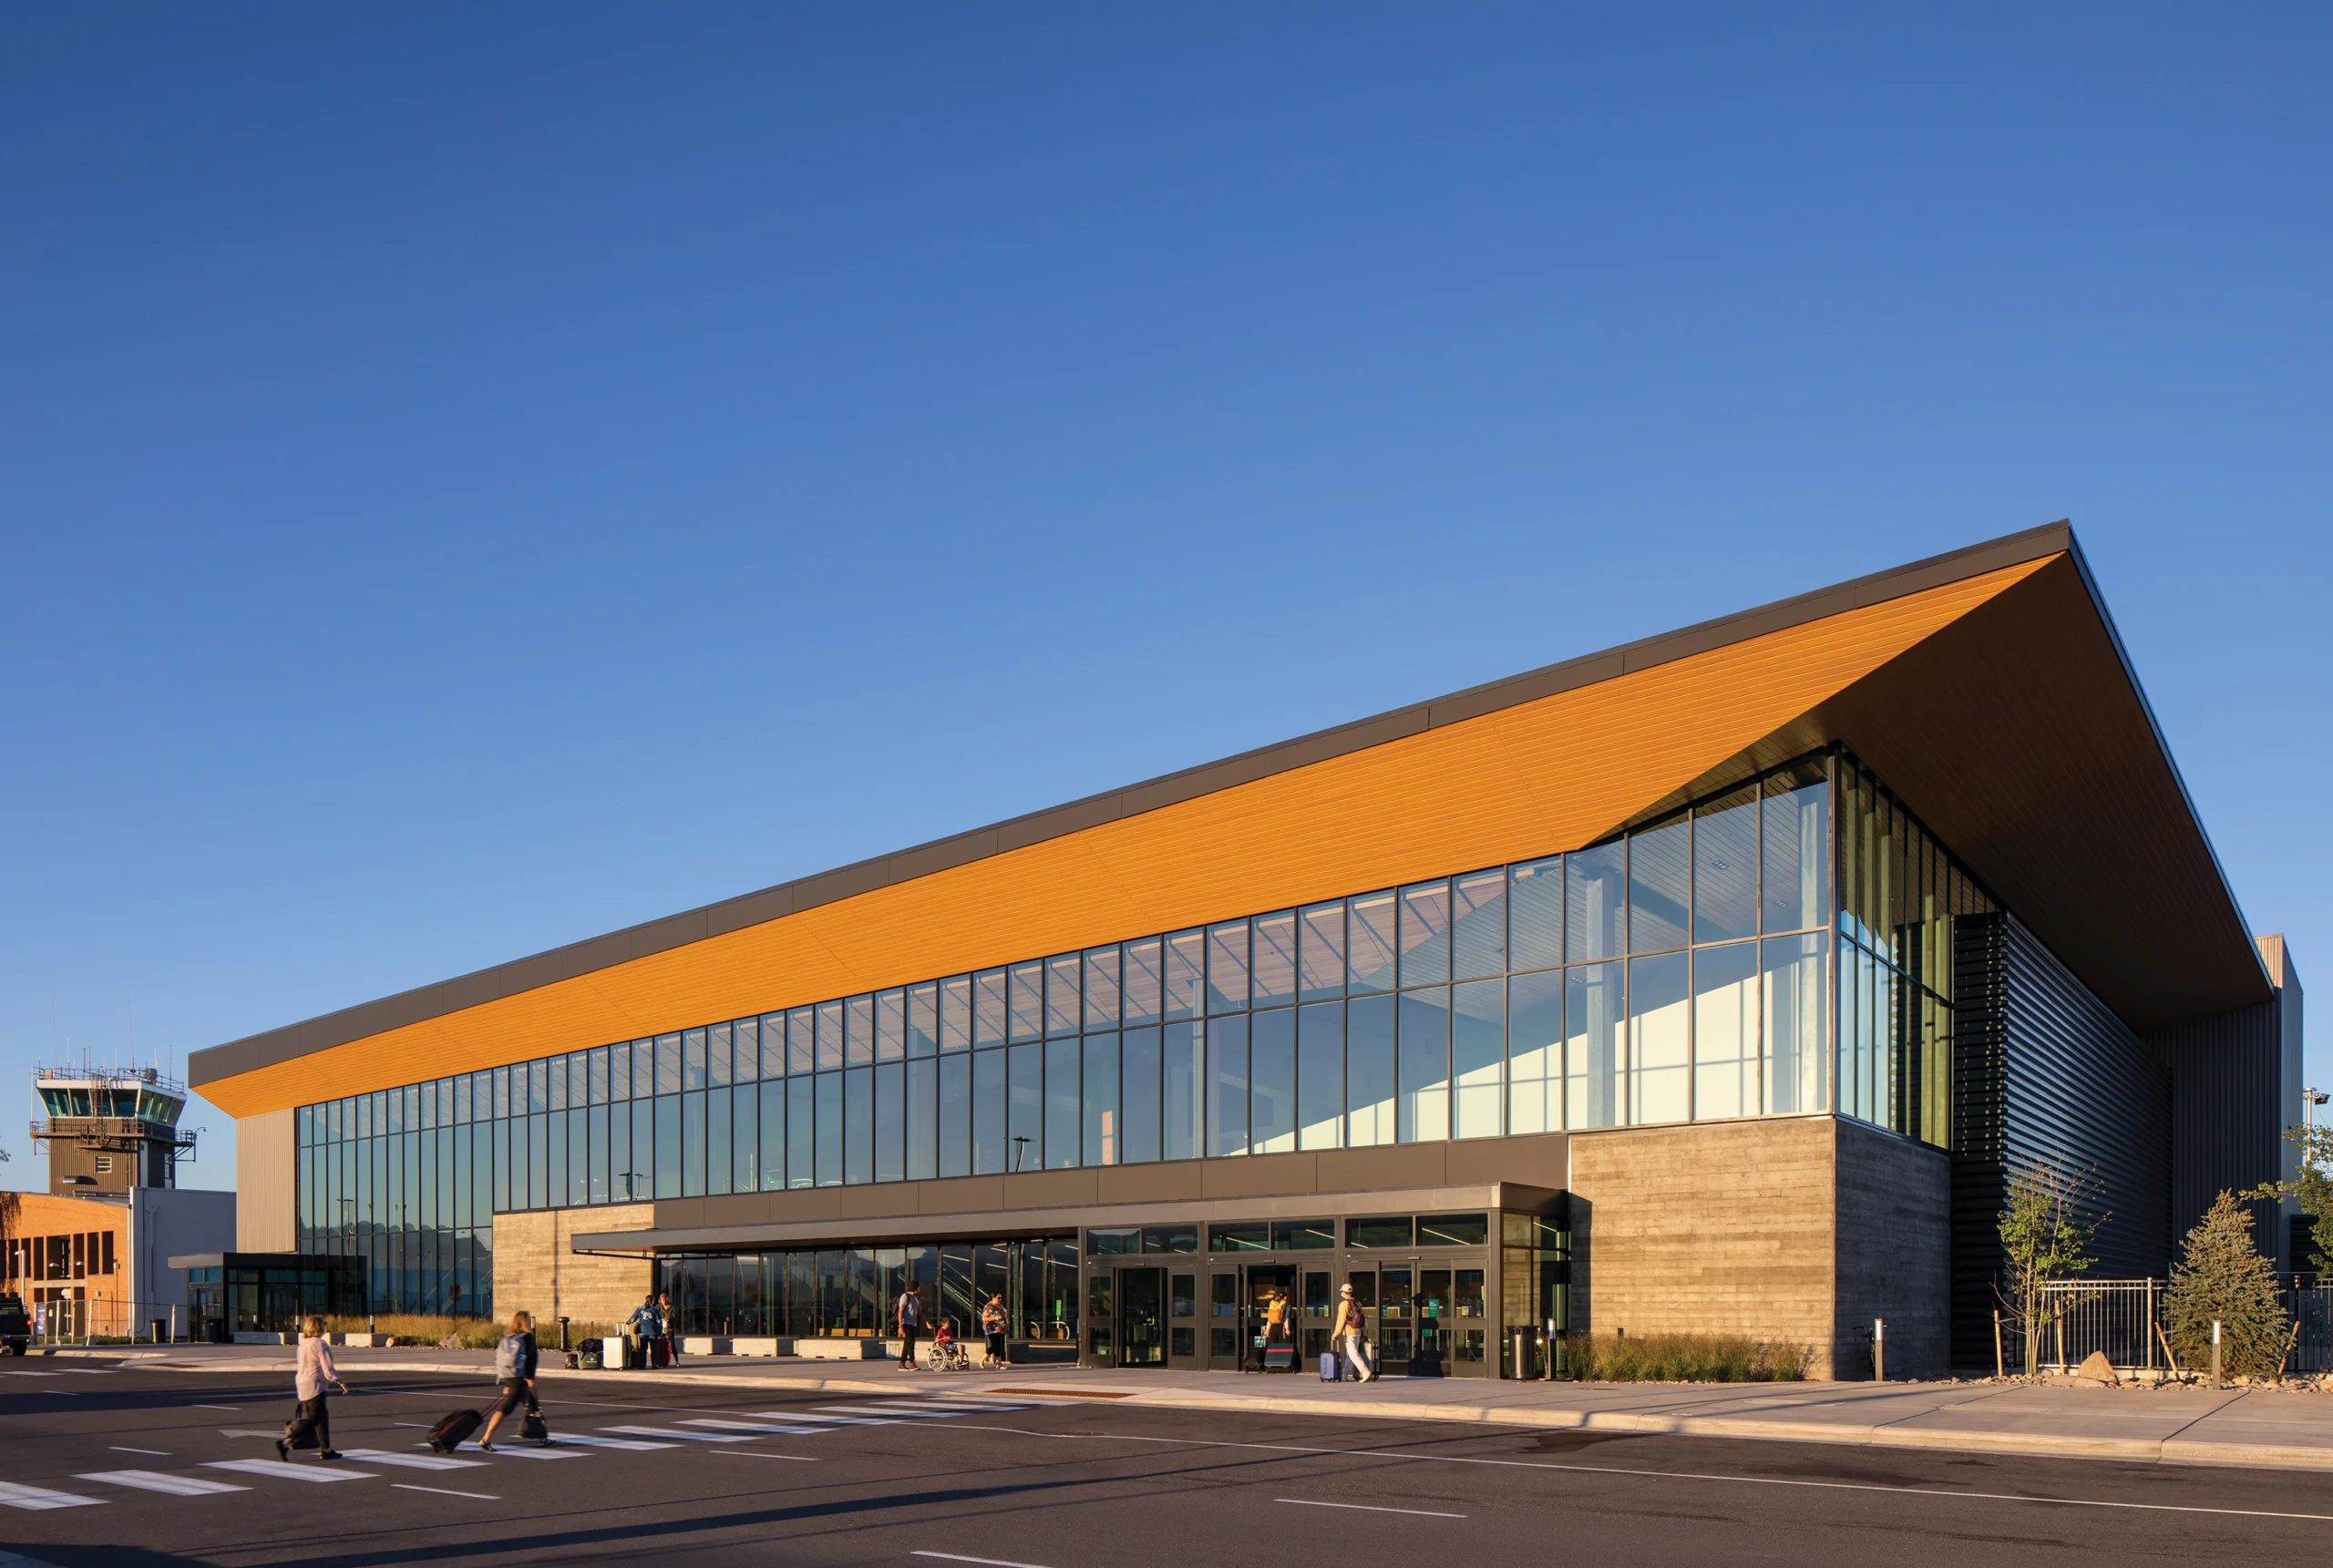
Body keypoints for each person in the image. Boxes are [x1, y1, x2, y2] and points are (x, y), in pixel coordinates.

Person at [276, 1314, 348, 1460]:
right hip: (316, 1384)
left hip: (302, 1383)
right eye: (324, 1325)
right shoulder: (320, 1344)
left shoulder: (303, 1344)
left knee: (321, 1417)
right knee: (315, 1418)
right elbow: (327, 1368)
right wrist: (339, 1381)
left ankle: (326, 1450)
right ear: (319, 1328)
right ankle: (286, 1441)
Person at [477, 1310, 540, 1451]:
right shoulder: (528, 1337)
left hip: (510, 1377)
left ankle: (541, 1436)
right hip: (519, 1379)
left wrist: (506, 1382)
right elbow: (531, 1360)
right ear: (525, 1322)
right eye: (529, 1320)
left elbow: (505, 1361)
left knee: (532, 1406)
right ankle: (485, 1439)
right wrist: (530, 1378)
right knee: (505, 1409)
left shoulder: (509, 1337)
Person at [1331, 1283, 1374, 1383]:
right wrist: (1365, 1331)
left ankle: (1365, 1372)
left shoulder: (1344, 1304)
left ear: (1343, 1292)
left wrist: (1336, 1333)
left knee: (1353, 1353)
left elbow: (1341, 1320)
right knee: (1350, 1354)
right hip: (1358, 1331)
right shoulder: (1358, 1303)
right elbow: (1364, 1319)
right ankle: (1345, 1375)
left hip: (1349, 1332)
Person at [625, 1293, 660, 1370]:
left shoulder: (640, 1308)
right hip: (653, 1331)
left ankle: (642, 1365)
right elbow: (659, 1321)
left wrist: (628, 1322)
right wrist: (661, 1330)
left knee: (643, 1349)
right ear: (653, 1301)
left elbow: (633, 1318)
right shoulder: (655, 1310)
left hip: (642, 1331)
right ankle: (654, 1364)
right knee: (653, 1349)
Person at [895, 1285, 922, 1369]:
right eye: (918, 1287)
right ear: (915, 1288)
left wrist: (927, 1322)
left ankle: (902, 1363)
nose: (919, 1289)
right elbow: (900, 1311)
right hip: (906, 1323)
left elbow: (920, 1312)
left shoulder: (916, 1298)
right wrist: (901, 1326)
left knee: (907, 1343)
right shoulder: (905, 1296)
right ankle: (911, 1362)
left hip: (913, 1324)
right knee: (911, 1343)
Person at [981, 1294, 1007, 1368]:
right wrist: (995, 1318)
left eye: (1001, 1298)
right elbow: (984, 1318)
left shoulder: (1000, 1306)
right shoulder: (989, 1306)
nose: (1000, 1299)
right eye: (998, 1298)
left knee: (995, 1346)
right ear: (993, 1298)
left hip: (1000, 1329)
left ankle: (982, 1359)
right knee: (996, 1345)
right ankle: (999, 1363)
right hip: (991, 1329)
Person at [657, 1291, 682, 1365]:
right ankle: (660, 1360)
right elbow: (655, 1314)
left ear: (667, 1299)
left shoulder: (672, 1307)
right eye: (662, 1300)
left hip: (669, 1328)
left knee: (671, 1344)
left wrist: (669, 1319)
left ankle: (677, 1360)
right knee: (659, 1344)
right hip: (660, 1327)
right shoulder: (658, 1307)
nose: (663, 1301)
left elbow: (676, 1316)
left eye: (664, 1299)